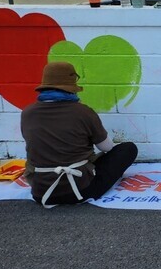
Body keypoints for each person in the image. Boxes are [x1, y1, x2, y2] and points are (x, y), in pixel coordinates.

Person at [20, 62, 138, 207]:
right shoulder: (83, 112)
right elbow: (106, 147)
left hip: (41, 192)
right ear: (71, 87)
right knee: (128, 149)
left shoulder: (27, 113)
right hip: (80, 190)